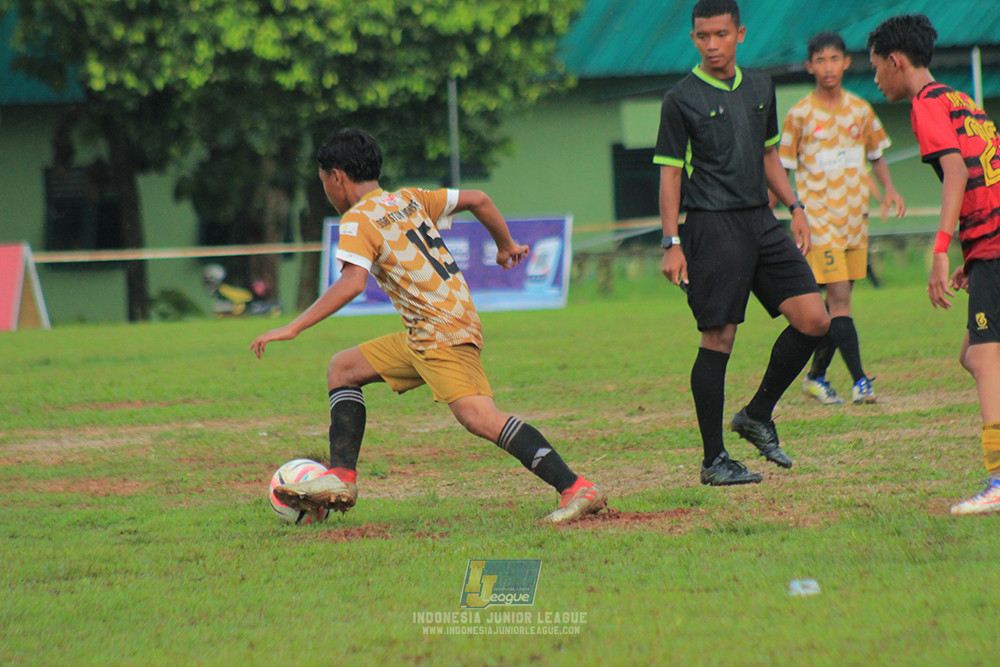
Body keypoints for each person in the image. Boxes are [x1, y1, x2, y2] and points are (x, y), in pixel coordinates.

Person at [250, 128, 605, 524]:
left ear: (337, 177)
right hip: (431, 327)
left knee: (479, 417)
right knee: (343, 368)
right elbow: (479, 199)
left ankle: (576, 487)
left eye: (324, 184)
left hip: (440, 330)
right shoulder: (409, 199)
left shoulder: (356, 221)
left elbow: (352, 282)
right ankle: (341, 478)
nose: (328, 193)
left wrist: (293, 328)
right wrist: (505, 245)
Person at [655, 0, 831, 486]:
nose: (711, 44)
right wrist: (672, 241)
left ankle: (757, 413)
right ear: (694, 38)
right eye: (702, 36)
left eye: (720, 35)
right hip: (712, 225)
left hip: (762, 220)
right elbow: (670, 175)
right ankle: (715, 461)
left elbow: (770, 155)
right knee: (719, 338)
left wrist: (795, 208)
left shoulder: (760, 86)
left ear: (740, 34)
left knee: (815, 319)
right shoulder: (680, 98)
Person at [869, 15, 1000, 515]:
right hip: (989, 247)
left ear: (897, 61)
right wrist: (974, 254)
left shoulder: (926, 106)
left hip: (993, 247)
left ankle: (997, 479)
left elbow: (956, 173)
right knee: (973, 356)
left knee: (985, 360)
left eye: (878, 68)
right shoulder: (960, 99)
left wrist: (942, 249)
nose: (877, 78)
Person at [779, 32, 906, 406]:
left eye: (834, 59)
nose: (827, 67)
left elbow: (877, 155)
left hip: (854, 220)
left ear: (846, 63)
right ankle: (860, 381)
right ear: (809, 67)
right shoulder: (799, 114)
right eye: (820, 61)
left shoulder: (860, 110)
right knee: (839, 299)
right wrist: (768, 210)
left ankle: (816, 377)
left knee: (833, 306)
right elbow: (780, 170)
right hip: (819, 220)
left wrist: (891, 190)